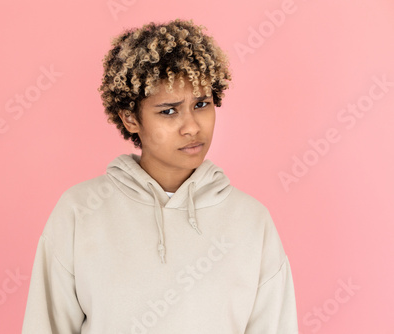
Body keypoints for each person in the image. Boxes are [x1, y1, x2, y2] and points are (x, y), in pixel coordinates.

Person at [22, 18, 298, 333]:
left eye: (202, 104)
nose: (192, 127)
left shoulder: (252, 221)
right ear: (130, 118)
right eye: (168, 111)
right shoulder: (79, 211)